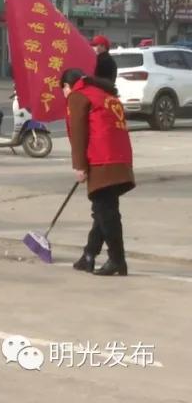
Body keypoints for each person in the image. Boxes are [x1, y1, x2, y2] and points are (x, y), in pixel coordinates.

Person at [62, 68, 135, 277]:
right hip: (120, 157)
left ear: (67, 86)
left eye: (63, 90)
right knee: (104, 210)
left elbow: (78, 133)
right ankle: (89, 256)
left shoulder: (78, 96)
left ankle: (117, 260)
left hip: (102, 158)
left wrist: (80, 166)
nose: (64, 95)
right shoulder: (104, 94)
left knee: (106, 212)